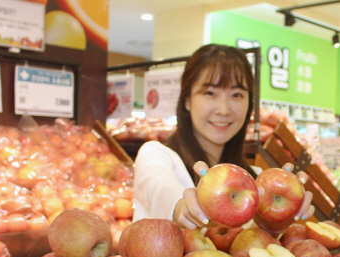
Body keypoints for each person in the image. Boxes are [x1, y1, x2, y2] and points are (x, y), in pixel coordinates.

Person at [133, 44, 313, 232]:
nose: (224, 110)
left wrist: (274, 221)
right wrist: (184, 208)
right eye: (210, 93)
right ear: (187, 100)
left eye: (237, 95)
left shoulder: (254, 181)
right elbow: (160, 189)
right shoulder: (155, 155)